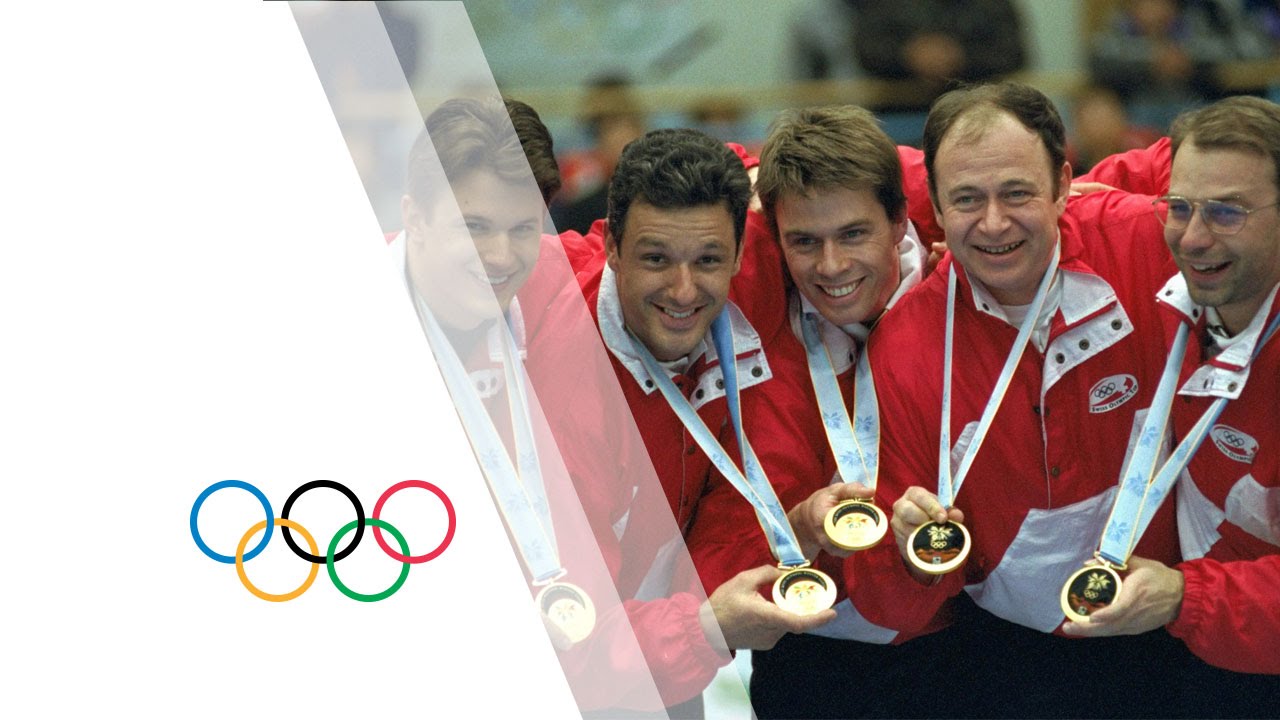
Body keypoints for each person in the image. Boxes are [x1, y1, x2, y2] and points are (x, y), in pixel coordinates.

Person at [845, 82, 1198, 717]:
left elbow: (1236, 167)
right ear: (935, 208)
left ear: (1063, 184)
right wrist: (912, 554)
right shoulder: (903, 346)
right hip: (1007, 662)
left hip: (1173, 632)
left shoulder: (1147, 241)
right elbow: (892, 601)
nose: (993, 223)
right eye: (966, 199)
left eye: (1017, 193)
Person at [548, 127, 844, 712]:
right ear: (613, 249)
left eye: (708, 260)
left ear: (740, 251)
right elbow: (567, 641)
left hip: (674, 664)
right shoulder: (565, 386)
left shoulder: (757, 266)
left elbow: (895, 173)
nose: (683, 292)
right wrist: (705, 631)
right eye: (655, 259)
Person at [1061, 95, 1280, 711]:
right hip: (1199, 654)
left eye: (1227, 213)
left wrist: (1188, 597)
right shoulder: (1186, 294)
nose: (1193, 237)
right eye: (1180, 208)